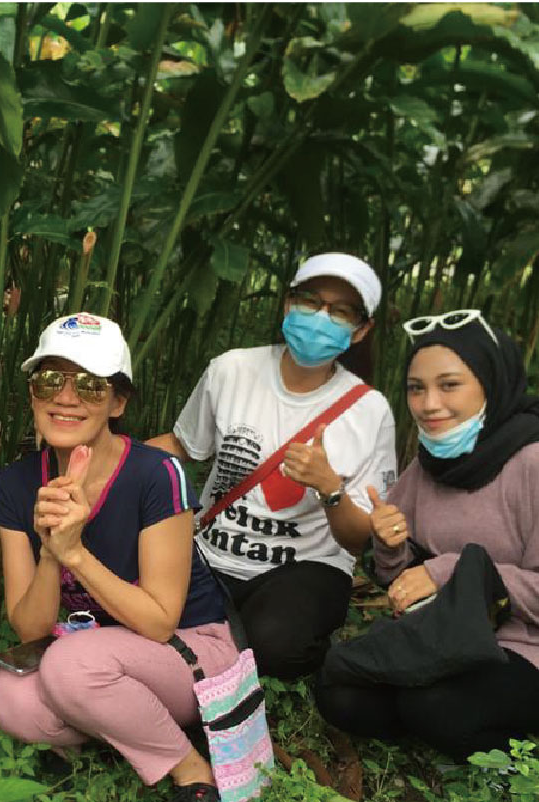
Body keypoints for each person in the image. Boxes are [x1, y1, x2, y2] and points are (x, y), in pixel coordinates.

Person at [0, 312, 239, 802]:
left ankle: (196, 780)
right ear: (32, 392)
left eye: (92, 385)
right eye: (51, 380)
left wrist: (78, 552)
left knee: (71, 665)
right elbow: (28, 628)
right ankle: (122, 723)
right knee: (9, 698)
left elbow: (158, 621)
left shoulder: (157, 474)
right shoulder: (14, 484)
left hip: (191, 652)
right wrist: (52, 552)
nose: (67, 398)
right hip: (94, 656)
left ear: (117, 402)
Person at [146, 253, 398, 678]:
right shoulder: (232, 370)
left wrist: (328, 487)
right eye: (310, 301)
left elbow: (357, 539)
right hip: (210, 550)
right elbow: (183, 445)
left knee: (277, 646)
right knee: (147, 612)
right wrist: (102, 460)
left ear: (361, 330)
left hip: (304, 568)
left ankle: (261, 638)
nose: (320, 317)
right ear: (287, 304)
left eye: (340, 311)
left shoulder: (370, 410)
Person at [311, 310, 539, 759]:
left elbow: (440, 573)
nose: (430, 403)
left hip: (522, 649)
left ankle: (507, 760)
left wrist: (452, 570)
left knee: (432, 705)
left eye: (449, 384)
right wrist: (390, 545)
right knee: (339, 693)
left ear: (491, 382)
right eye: (417, 388)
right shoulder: (429, 463)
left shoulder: (531, 463)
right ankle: (439, 719)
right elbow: (396, 575)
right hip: (439, 639)